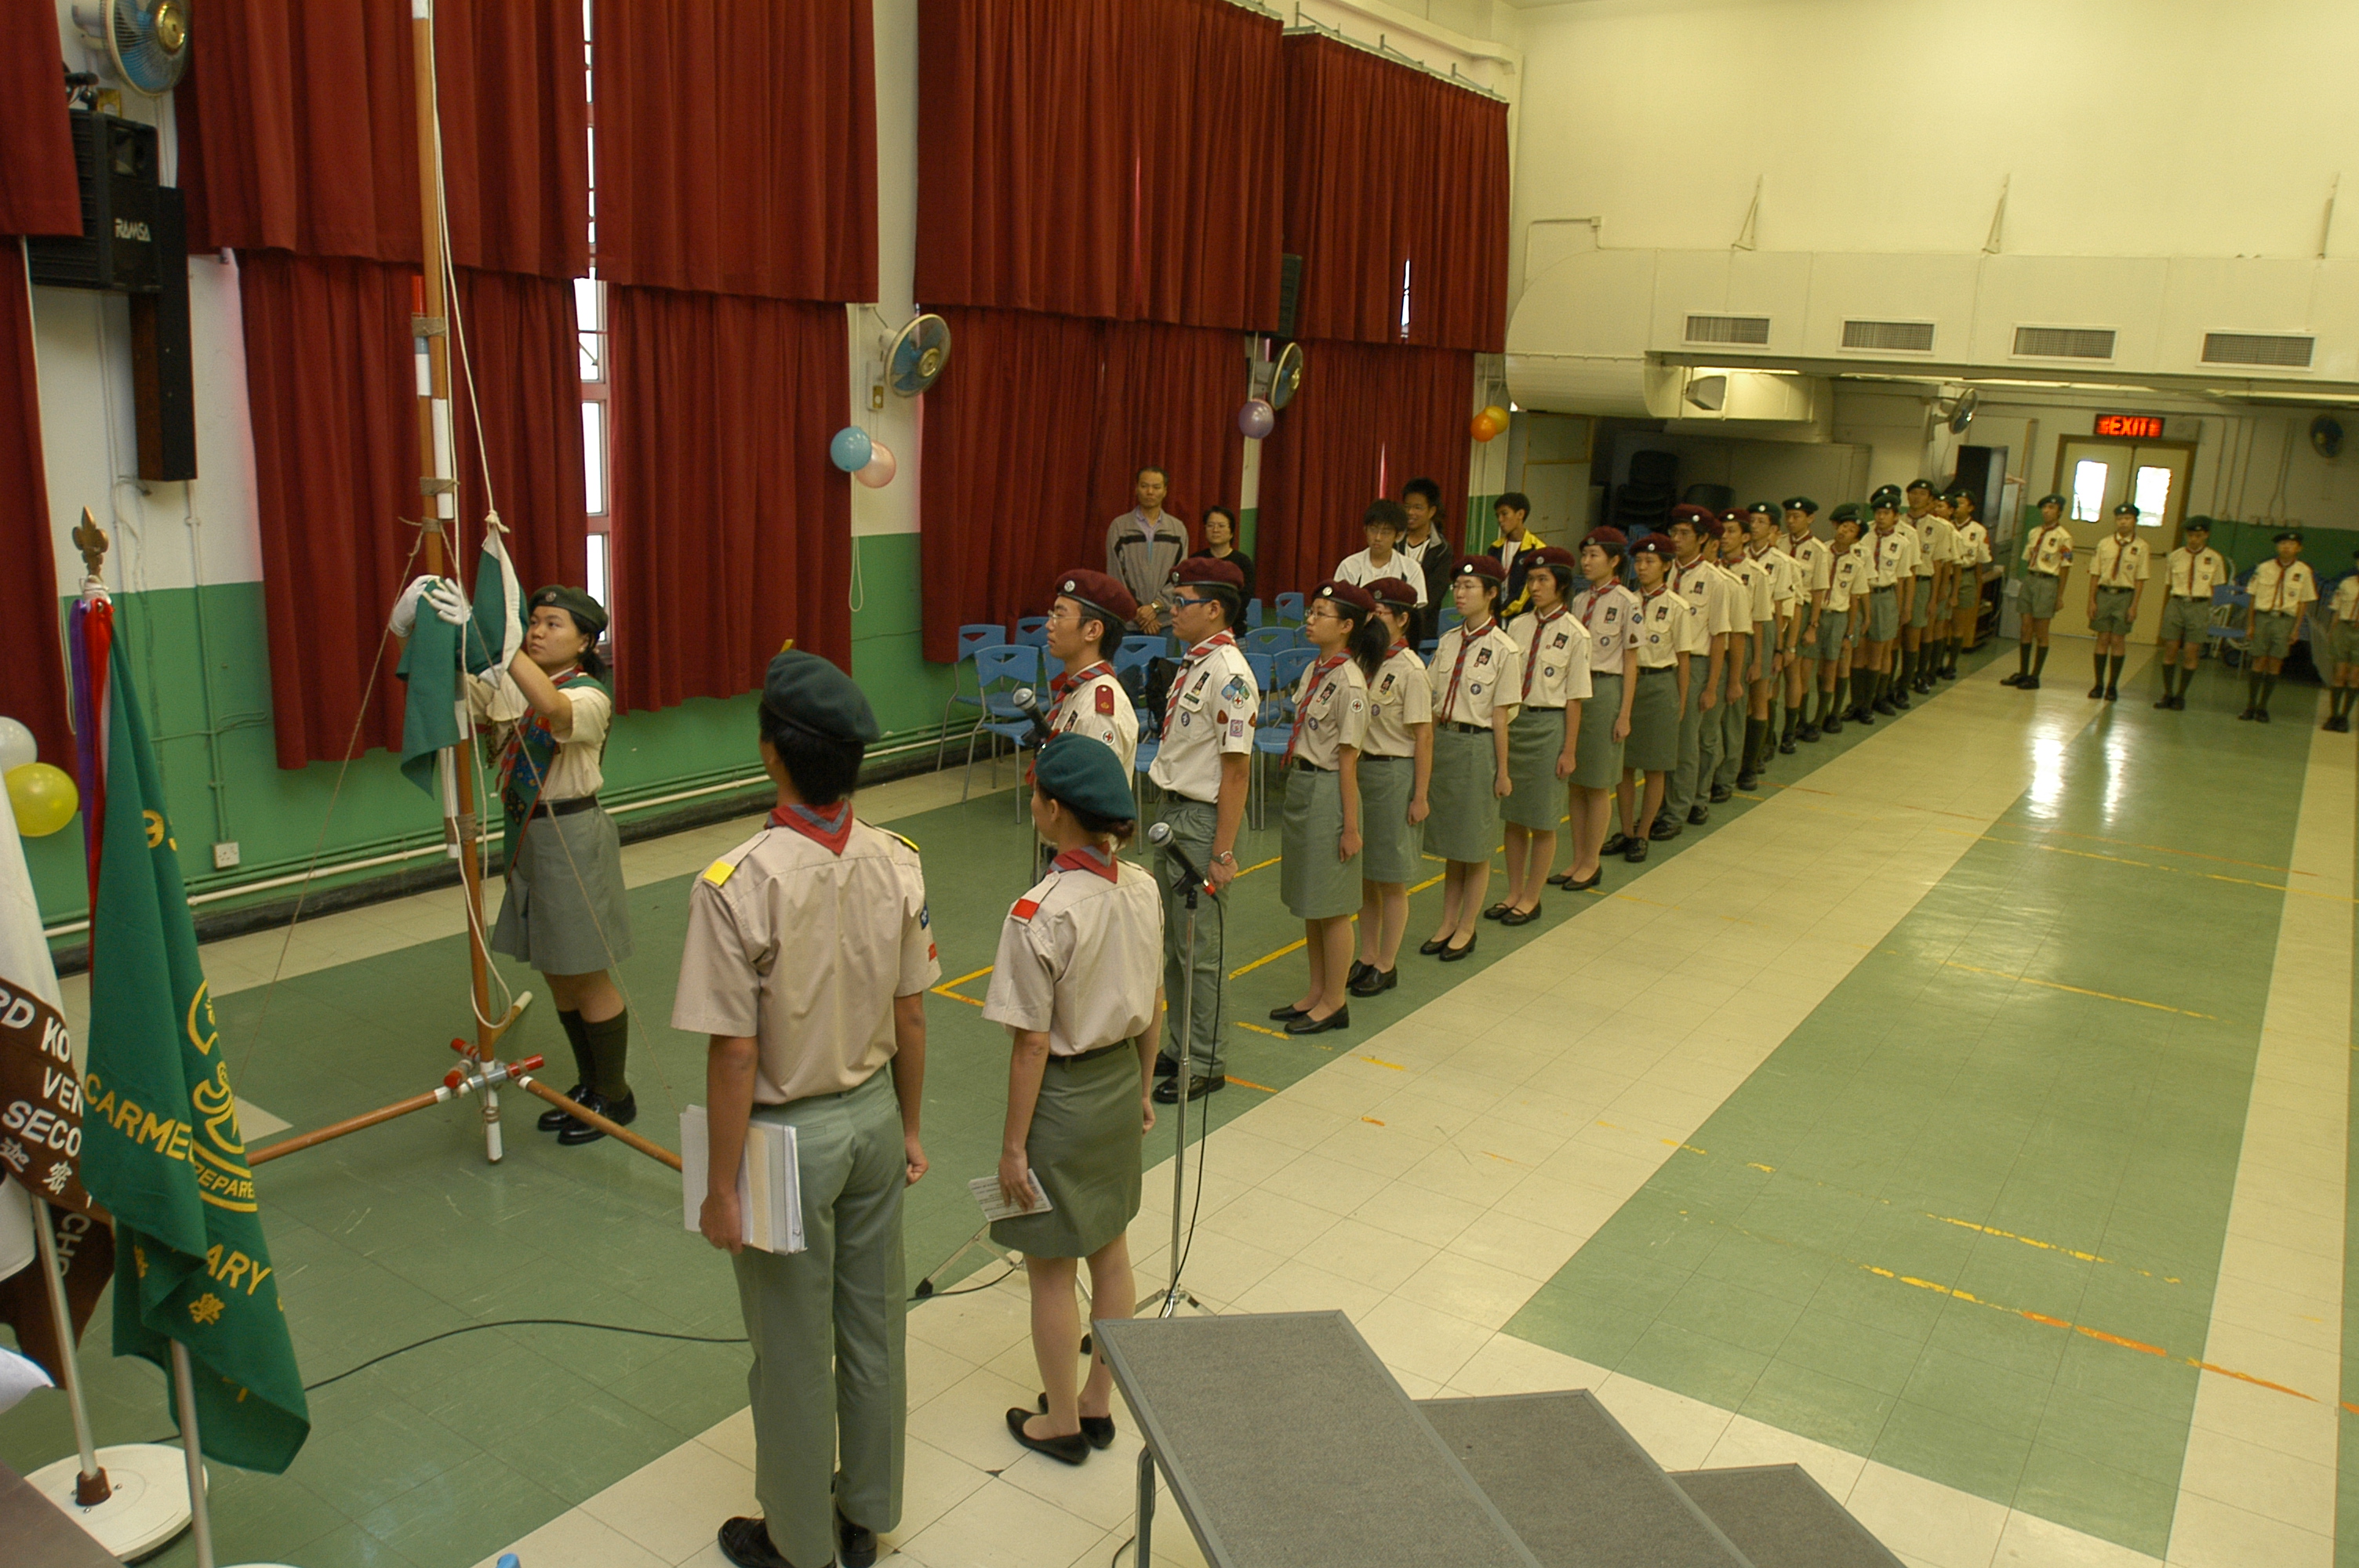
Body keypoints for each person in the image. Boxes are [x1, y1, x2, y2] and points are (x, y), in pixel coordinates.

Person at [674, 651, 933, 1568]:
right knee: (874, 1327)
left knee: (789, 1347)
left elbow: (735, 1050)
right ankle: (865, 1510)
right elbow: (911, 1012)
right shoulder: (896, 860)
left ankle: (797, 1539)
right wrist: (908, 1126)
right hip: (872, 1119)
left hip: (786, 1141)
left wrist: (720, 1186)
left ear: (770, 753)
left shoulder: (736, 881)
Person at [393, 575, 637, 1145]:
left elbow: (552, 708)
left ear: (585, 642)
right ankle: (590, 1086)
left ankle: (615, 1095)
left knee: (587, 973)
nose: (538, 632)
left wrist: (498, 650)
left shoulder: (588, 695)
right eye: (533, 623)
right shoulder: (510, 686)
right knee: (557, 972)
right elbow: (440, 687)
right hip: (527, 836)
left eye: (554, 625)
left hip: (571, 835)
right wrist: (409, 630)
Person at [984, 734, 1160, 1468]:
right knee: (1111, 1253)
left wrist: (1013, 1147)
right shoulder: (1142, 886)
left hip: (1061, 1099)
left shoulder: (1040, 911)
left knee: (1051, 1266)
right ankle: (1097, 1402)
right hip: (1119, 1081)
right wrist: (1143, 1088)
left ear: (1054, 810)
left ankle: (1058, 1422)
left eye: (1036, 794)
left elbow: (1031, 1045)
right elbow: (1155, 1002)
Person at [1147, 557, 1257, 1102]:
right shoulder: (1196, 663)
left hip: (1202, 822)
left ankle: (1208, 1060)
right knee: (1174, 946)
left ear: (1214, 609)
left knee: (1201, 952)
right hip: (1173, 814)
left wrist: (1223, 851)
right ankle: (1180, 1043)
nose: (1172, 609)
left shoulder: (1231, 675)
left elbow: (1236, 771)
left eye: (1182, 601)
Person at [1270, 583, 1379, 1033]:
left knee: (1332, 906)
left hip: (1330, 791)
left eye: (1320, 614)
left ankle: (1335, 1002)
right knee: (1311, 901)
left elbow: (1349, 761)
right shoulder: (1317, 670)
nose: (1310, 620)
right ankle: (1316, 991)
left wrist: (1350, 828)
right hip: (1304, 785)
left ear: (1347, 626)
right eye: (1311, 612)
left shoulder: (1350, 681)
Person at [1419, 556, 1521, 960]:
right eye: (1457, 587)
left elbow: (1500, 716)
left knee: (1475, 845)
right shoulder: (1448, 641)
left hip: (1479, 747)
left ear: (1492, 593)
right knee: (1453, 844)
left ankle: (1467, 926)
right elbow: (1431, 702)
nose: (1459, 594)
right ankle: (1447, 921)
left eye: (1469, 588)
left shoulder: (1504, 650)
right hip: (1446, 743)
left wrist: (1503, 771)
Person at [1491, 546, 1589, 920]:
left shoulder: (1576, 634)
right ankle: (1513, 891)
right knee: (1514, 816)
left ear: (1561, 584)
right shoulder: (1517, 626)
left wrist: (1569, 750)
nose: (1534, 587)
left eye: (1543, 580)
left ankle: (1532, 897)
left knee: (1544, 819)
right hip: (1517, 724)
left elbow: (1576, 699)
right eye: (1531, 579)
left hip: (1549, 727)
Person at [1349, 577, 1433, 997]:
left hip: (1393, 773)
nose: (1373, 622)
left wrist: (1420, 795)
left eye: (1381, 614)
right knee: (1366, 875)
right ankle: (1367, 956)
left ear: (1402, 620)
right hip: (1361, 772)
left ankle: (1387, 962)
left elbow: (1424, 737)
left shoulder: (1411, 670)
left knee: (1391, 878)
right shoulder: (1365, 662)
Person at [1554, 530, 1637, 891]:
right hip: (1576, 691)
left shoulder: (1628, 602)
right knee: (1576, 781)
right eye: (1584, 556)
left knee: (1599, 781)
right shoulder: (1579, 600)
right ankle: (1576, 858)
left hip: (1605, 689)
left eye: (1594, 556)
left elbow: (1631, 661)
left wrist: (1624, 713)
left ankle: (1592, 862)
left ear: (1614, 560)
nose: (1586, 562)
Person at [1611, 536, 1694, 864]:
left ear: (1666, 566)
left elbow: (1683, 659)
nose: (1642, 567)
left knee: (1656, 766)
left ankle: (1643, 833)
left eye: (1650, 562)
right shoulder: (1626, 601)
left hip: (1660, 685)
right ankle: (1626, 829)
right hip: (1628, 684)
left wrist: (1681, 702)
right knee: (1625, 764)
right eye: (1639, 561)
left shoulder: (1677, 606)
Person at [1664, 506, 1729, 835]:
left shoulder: (1715, 581)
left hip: (1696, 663)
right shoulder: (1662, 571)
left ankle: (1679, 809)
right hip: (1663, 664)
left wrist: (1711, 686)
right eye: (1673, 532)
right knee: (1664, 739)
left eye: (1684, 534)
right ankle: (1663, 802)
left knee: (1686, 740)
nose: (1676, 539)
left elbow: (1719, 637)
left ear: (1702, 539)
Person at [1043, 570, 1140, 769]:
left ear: (1093, 631)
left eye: (1060, 616)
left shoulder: (1099, 711)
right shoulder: (1078, 689)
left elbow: (1094, 787)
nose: (1049, 625)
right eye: (1052, 615)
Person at [1716, 514, 1773, 791]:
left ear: (1745, 537)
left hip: (1742, 645)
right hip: (1714, 644)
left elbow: (1759, 622)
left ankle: (1728, 776)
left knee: (1734, 715)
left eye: (1731, 531)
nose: (1724, 537)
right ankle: (1709, 774)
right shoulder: (1712, 570)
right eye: (1722, 532)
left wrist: (1758, 661)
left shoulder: (1757, 574)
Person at [2241, 531, 2316, 723]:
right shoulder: (2264, 568)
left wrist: (2296, 629)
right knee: (2259, 660)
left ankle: (2263, 707)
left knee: (2275, 662)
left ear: (2299, 548)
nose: (2286, 547)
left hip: (2285, 620)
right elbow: (2253, 598)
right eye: (2282, 543)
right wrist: (2251, 624)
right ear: (2277, 547)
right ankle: (2251, 705)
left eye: (2291, 544)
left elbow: (2303, 603)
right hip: (2263, 618)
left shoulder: (2304, 571)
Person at [2154, 517, 2229, 710]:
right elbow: (2170, 583)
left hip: (2199, 605)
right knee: (2170, 648)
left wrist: (2204, 607)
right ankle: (2168, 693)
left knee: (2191, 651)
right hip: (2177, 602)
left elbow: (2215, 587)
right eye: (2190, 535)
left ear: (2206, 535)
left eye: (2198, 535)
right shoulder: (2176, 556)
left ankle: (2181, 695)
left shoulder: (2215, 558)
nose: (2194, 539)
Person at [1105, 467, 1190, 636]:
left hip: (1165, 622)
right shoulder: (1119, 527)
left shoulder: (1177, 529)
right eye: (1144, 486)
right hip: (1128, 622)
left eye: (1156, 487)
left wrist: (1155, 607)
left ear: (1165, 491)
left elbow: (1179, 575)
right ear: (1136, 489)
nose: (1150, 492)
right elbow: (1115, 575)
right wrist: (1139, 612)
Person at [1859, 486, 1919, 719]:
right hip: (1864, 594)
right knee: (1861, 651)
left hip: (1886, 596)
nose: (1881, 517)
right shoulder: (1865, 535)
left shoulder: (1904, 540)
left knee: (1883, 650)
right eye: (1877, 512)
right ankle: (1859, 702)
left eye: (1886, 513)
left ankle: (1878, 698)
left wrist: (1903, 608)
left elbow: (1903, 578)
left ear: (1896, 516)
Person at [1748, 504, 1802, 757]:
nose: (1754, 526)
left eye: (1761, 522)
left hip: (1768, 626)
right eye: (1752, 521)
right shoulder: (1739, 557)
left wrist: (1784, 647)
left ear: (1773, 529)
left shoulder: (1782, 562)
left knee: (1764, 692)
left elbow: (1785, 608)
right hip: (1742, 627)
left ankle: (1762, 747)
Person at [2007, 494, 2074, 690]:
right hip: (2031, 579)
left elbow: (2065, 567)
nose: (2046, 511)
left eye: (2051, 508)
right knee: (2025, 627)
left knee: (2041, 631)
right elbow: (2028, 558)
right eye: (2044, 508)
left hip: (2048, 582)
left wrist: (2059, 596)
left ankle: (2035, 676)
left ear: (2059, 512)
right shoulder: (2034, 532)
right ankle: (2023, 671)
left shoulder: (2064, 537)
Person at [1815, 506, 1871, 735]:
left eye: (1850, 530)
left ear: (1856, 539)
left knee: (1832, 665)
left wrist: (1850, 632)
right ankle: (1818, 714)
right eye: (1843, 526)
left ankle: (1827, 717)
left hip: (1838, 616)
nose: (1844, 532)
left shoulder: (1856, 563)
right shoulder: (1821, 552)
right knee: (1818, 666)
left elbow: (1854, 600)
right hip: (1818, 613)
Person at [1780, 497, 1833, 744]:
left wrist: (1812, 626)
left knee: (1795, 672)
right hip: (1780, 611)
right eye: (1788, 516)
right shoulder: (1779, 543)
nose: (1791, 521)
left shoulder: (1819, 550)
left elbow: (1819, 591)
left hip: (1803, 612)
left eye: (1797, 517)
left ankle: (1792, 728)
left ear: (1810, 519)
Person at [2085, 503, 2150, 702]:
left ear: (2135, 521)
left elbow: (2140, 580)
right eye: (2120, 519)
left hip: (2125, 596)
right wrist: (2091, 601)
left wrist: (2134, 606)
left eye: (2128, 519)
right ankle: (2098, 684)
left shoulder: (2142, 547)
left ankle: (2112, 686)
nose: (2123, 522)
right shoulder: (2105, 544)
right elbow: (2095, 574)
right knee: (2102, 638)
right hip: (2104, 594)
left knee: (2118, 640)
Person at [1903, 479, 1955, 695]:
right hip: (1900, 584)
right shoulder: (1898, 523)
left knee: (1917, 634)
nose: (1917, 497)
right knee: (1895, 637)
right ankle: (1893, 683)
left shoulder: (1939, 527)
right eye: (1913, 492)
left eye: (1922, 494)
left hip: (1923, 583)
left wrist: (1935, 596)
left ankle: (1917, 677)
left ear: (1930, 499)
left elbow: (1939, 564)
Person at [1334, 501, 1427, 611]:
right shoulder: (1349, 566)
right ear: (1365, 529)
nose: (1378, 537)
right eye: (1373, 530)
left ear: (1399, 535)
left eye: (1385, 532)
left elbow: (1415, 611)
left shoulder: (1411, 569)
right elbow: (1339, 607)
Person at [1399, 477, 1456, 643]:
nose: (1411, 512)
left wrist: (1405, 619)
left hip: (1422, 633)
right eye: (1407, 507)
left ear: (1432, 511)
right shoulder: (1394, 543)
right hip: (1389, 629)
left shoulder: (1442, 550)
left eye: (1418, 507)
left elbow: (1433, 596)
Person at [1943, 487, 1991, 677]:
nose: (1957, 507)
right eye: (1955, 503)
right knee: (1941, 623)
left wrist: (1978, 587)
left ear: (1971, 508)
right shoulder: (1946, 526)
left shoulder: (1978, 531)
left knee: (1958, 624)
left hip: (1966, 575)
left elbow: (1980, 561)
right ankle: (1935, 663)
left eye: (1961, 504)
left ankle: (1952, 665)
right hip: (1946, 576)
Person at [2324, 551, 2359, 731]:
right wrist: (2332, 632)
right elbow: (2337, 610)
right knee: (2339, 674)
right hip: (2343, 629)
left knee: (2354, 677)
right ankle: (2334, 715)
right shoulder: (2347, 583)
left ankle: (2345, 717)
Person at [1201, 504, 1256, 611]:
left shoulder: (1243, 562)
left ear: (1232, 532)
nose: (1215, 530)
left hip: (1234, 618)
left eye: (1221, 526)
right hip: (1202, 618)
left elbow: (1245, 597)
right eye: (1210, 525)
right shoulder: (1196, 560)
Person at [1493, 492, 1536, 613]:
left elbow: (1528, 589)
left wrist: (1507, 610)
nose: (1500, 520)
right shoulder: (1495, 548)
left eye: (1504, 514)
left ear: (1520, 514)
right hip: (1497, 612)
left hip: (1522, 613)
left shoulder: (1536, 549)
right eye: (1498, 515)